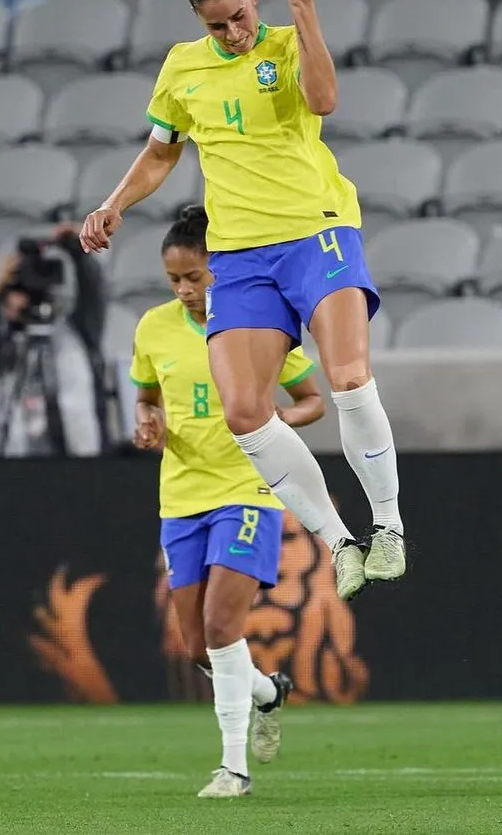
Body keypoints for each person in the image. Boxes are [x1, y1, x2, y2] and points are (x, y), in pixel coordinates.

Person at [79, 0, 405, 604]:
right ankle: (340, 542)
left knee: (349, 377)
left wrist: (305, 8)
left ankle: (386, 524)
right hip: (241, 255)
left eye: (237, 16)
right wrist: (114, 203)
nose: (231, 33)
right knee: (245, 411)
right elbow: (162, 152)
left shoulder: (286, 43)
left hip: (316, 231)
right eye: (215, 25)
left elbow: (325, 97)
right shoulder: (184, 70)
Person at [130, 206, 324, 798]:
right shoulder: (153, 328)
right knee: (197, 646)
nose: (186, 289)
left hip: (247, 489)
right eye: (175, 280)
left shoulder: (256, 325)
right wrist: (147, 422)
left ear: (221, 266)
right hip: (181, 495)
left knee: (220, 625)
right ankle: (268, 692)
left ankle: (232, 769)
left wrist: (283, 420)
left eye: (195, 275)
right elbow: (146, 396)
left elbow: (312, 398)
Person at [0, 224, 107, 457]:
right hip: (17, 465)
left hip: (81, 463)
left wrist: (78, 252)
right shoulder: (5, 346)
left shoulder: (77, 334)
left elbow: (94, 295)